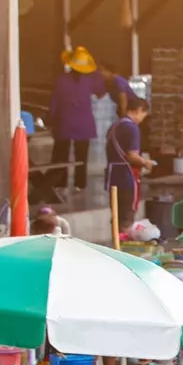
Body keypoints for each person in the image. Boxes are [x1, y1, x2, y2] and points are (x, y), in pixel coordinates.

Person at [50, 46, 104, 192]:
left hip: (64, 122)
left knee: (61, 155)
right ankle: (80, 184)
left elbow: (54, 102)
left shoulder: (61, 79)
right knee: (82, 156)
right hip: (84, 123)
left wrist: (51, 120)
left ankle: (58, 182)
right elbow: (101, 92)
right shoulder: (90, 80)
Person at [105, 96, 153, 233]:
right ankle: (124, 246)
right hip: (126, 176)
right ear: (138, 110)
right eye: (144, 114)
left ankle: (116, 243)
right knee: (127, 215)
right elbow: (132, 156)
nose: (142, 119)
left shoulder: (114, 126)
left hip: (112, 175)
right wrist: (145, 163)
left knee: (116, 214)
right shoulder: (132, 128)